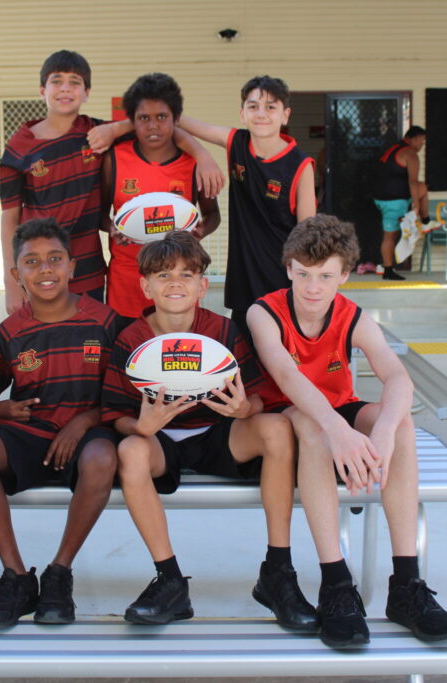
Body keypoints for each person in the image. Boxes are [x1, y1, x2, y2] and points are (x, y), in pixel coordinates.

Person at [247, 215, 447, 649]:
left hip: (337, 412)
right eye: (303, 274)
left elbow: (398, 378)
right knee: (315, 427)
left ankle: (406, 585)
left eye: (325, 276)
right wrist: (338, 431)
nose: (313, 288)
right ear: (288, 269)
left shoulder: (353, 317)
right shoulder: (263, 312)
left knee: (401, 422)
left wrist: (383, 433)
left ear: (344, 275)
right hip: (286, 420)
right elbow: (287, 377)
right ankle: (336, 584)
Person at [102, 232, 316, 630]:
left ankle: (278, 571)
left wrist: (244, 409)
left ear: (203, 285)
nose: (175, 283)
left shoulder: (223, 331)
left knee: (276, 428)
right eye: (163, 275)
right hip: (160, 441)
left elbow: (258, 396)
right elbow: (114, 412)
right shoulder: (131, 338)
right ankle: (169, 580)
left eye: (186, 275)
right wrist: (140, 425)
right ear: (145, 286)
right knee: (130, 449)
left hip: (218, 433)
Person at [0, 218, 128, 629]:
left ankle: (59, 573)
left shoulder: (105, 321)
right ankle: (16, 576)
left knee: (103, 458)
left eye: (55, 259)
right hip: (32, 430)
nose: (45, 269)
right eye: (31, 262)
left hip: (89, 431)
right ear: (17, 274)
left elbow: (123, 395)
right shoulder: (8, 333)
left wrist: (83, 422)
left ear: (72, 266)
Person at [0, 51, 224, 316]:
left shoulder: (98, 135)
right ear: (42, 90)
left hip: (88, 269)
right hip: (39, 270)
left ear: (87, 92)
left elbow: (160, 126)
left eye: (74, 82)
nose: (65, 88)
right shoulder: (19, 148)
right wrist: (11, 281)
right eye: (56, 81)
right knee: (42, 337)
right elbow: (9, 218)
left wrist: (202, 154)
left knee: (91, 339)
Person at [175, 75, 317, 338]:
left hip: (281, 284)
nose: (261, 113)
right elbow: (176, 120)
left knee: (277, 355)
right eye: (253, 106)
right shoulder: (237, 143)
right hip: (243, 280)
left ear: (285, 115)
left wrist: (306, 288)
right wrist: (202, 155)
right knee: (241, 356)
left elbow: (308, 236)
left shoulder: (300, 164)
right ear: (242, 114)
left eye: (270, 107)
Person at [101, 72, 220, 319]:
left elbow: (213, 214)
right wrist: (112, 228)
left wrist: (199, 232)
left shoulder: (193, 163)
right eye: (144, 118)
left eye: (162, 117)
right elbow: (99, 213)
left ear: (176, 119)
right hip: (127, 279)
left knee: (172, 342)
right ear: (133, 121)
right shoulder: (115, 159)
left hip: (176, 281)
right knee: (126, 342)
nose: (153, 125)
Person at [373, 126, 429, 281]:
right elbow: (412, 182)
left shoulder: (393, 149)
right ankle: (388, 270)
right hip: (394, 201)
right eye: (422, 141)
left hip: (380, 198)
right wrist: (416, 206)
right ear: (415, 138)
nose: (422, 145)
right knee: (389, 236)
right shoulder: (410, 154)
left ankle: (425, 220)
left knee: (423, 187)